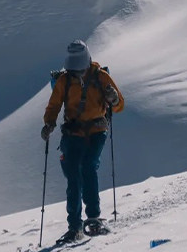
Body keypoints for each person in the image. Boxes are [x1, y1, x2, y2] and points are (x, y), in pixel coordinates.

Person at [41, 39, 124, 244]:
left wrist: (113, 99)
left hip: (96, 130)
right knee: (74, 176)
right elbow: (53, 106)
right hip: (74, 133)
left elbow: (120, 104)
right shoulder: (64, 81)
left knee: (86, 167)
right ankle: (75, 226)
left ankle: (93, 218)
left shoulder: (101, 77)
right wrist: (48, 123)